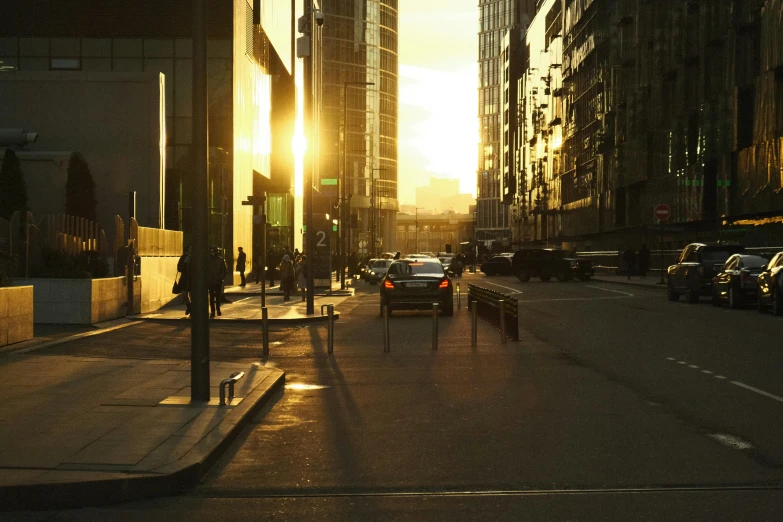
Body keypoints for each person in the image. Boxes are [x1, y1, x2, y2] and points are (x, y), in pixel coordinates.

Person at [208, 247, 227, 317]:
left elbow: (224, 270)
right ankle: (213, 311)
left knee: (218, 296)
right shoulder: (208, 260)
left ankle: (218, 309)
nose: (212, 253)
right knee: (212, 297)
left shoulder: (220, 260)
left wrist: (220, 277)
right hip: (210, 281)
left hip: (218, 281)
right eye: (211, 252)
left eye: (213, 251)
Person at [177, 246, 192, 316]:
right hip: (185, 278)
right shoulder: (183, 258)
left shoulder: (195, 257)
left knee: (193, 296)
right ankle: (189, 307)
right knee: (184, 295)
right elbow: (179, 268)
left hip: (192, 279)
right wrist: (185, 263)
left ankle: (192, 310)